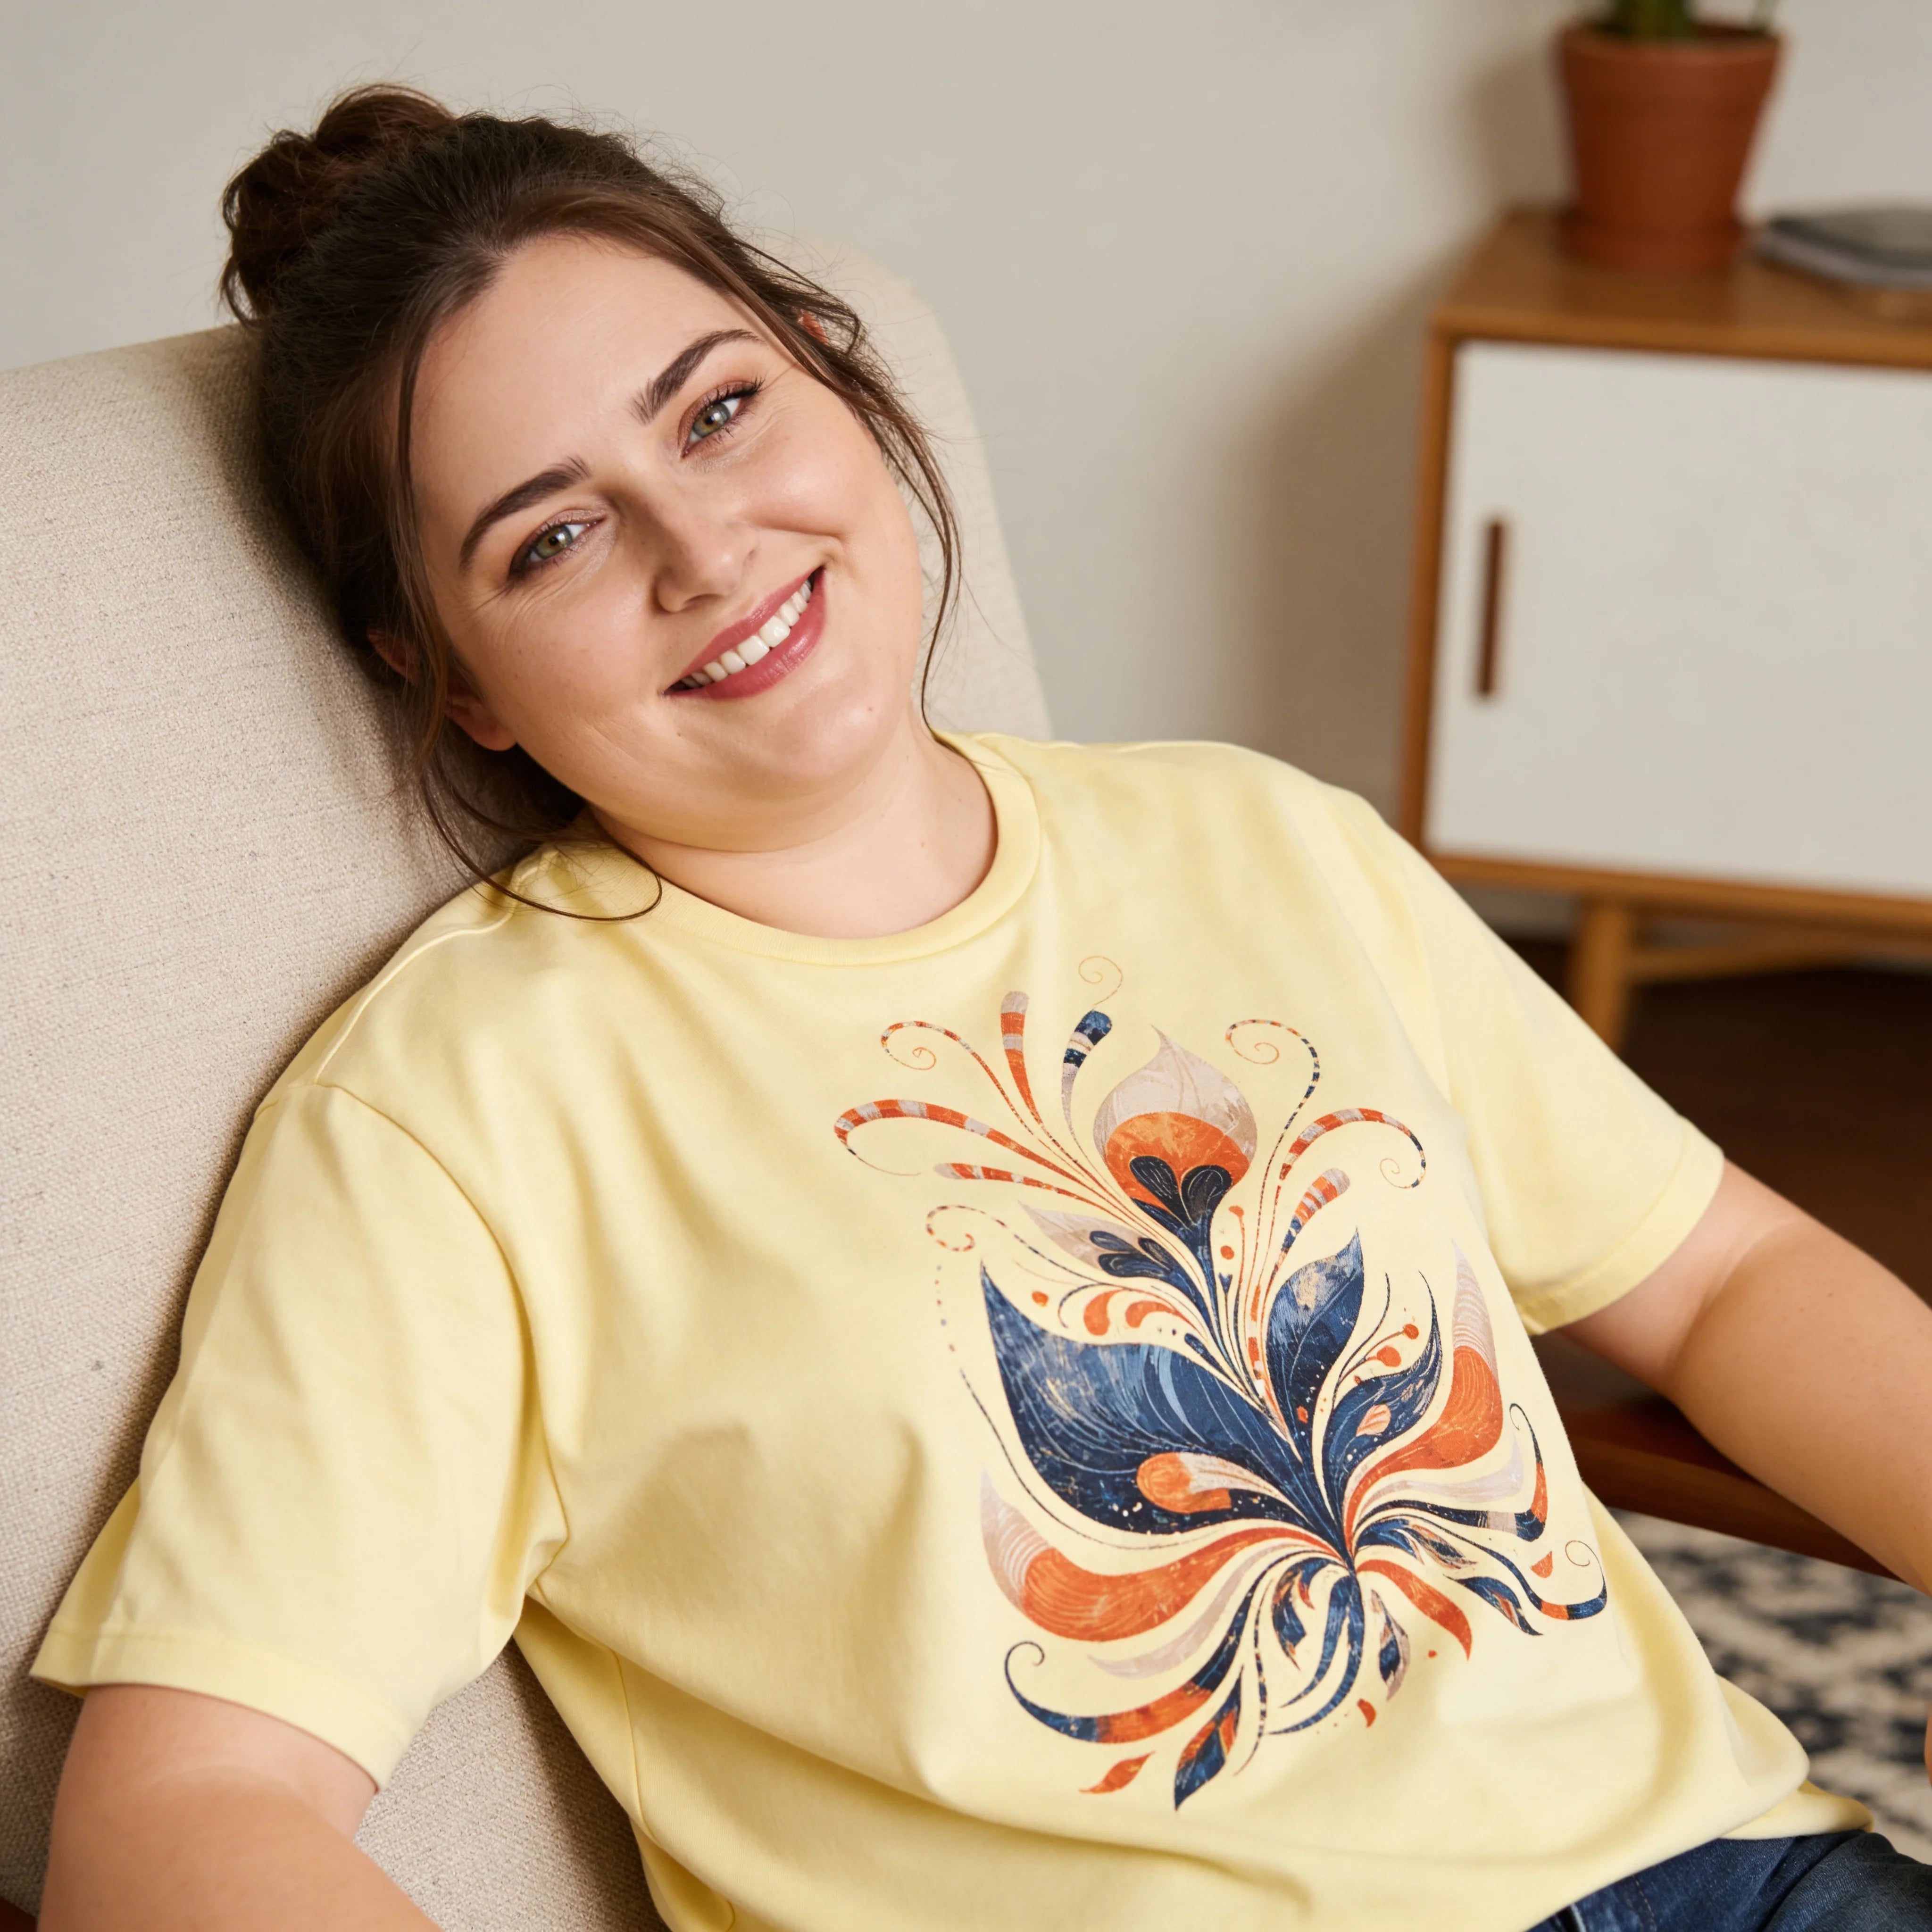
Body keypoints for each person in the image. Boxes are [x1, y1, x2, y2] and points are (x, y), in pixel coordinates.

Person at [31, 85, 1932, 1932]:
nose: (705, 553)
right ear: (456, 684)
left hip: (1735, 1867)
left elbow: (1717, 1277)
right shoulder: (463, 1106)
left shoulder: (1263, 839)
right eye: (552, 538)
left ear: (838, 376)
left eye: (716, 413)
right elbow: (193, 1805)